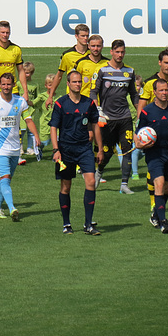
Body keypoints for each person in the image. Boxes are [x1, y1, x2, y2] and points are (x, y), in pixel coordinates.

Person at [0, 72, 41, 221]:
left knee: (5, 180)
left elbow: (29, 120)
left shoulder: (20, 101)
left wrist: (36, 137)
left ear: (14, 85)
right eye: (3, 84)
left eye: (9, 84)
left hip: (14, 147)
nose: (6, 87)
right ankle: (12, 208)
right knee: (5, 178)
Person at [50, 70, 104, 235]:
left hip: (84, 149)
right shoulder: (60, 104)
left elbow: (95, 126)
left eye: (79, 82)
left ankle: (88, 224)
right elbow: (53, 127)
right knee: (66, 187)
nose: (78, 84)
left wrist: (99, 149)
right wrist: (55, 149)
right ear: (68, 84)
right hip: (65, 150)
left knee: (90, 183)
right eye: (74, 82)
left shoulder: (88, 103)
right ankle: (67, 224)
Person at [137, 47, 168, 213]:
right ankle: (154, 202)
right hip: (154, 131)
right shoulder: (150, 83)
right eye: (166, 63)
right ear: (160, 63)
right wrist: (141, 132)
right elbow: (142, 106)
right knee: (155, 169)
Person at [135, 79, 168, 234]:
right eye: (161, 91)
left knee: (166, 187)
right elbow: (138, 134)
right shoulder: (147, 112)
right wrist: (138, 144)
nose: (165, 93)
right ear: (155, 92)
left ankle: (156, 214)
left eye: (166, 90)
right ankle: (163, 222)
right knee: (158, 184)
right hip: (154, 154)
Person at [89, 39, 139, 194]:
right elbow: (93, 92)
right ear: (111, 52)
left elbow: (133, 94)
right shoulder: (102, 71)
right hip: (107, 119)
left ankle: (124, 184)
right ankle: (99, 172)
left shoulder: (129, 72)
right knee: (107, 151)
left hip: (125, 118)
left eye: (122, 52)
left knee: (127, 150)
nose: (120, 55)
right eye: (117, 52)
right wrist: (97, 109)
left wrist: (140, 111)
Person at [45, 24, 90, 109]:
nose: (85, 38)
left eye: (87, 36)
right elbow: (59, 76)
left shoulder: (92, 54)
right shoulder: (67, 55)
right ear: (76, 36)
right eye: (83, 36)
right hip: (72, 96)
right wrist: (50, 96)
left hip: (89, 96)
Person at [0, 20, 29, 102]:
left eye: (7, 33)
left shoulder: (16, 49)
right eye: (3, 32)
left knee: (14, 114)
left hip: (13, 90)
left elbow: (21, 71)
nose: (5, 35)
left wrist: (25, 92)